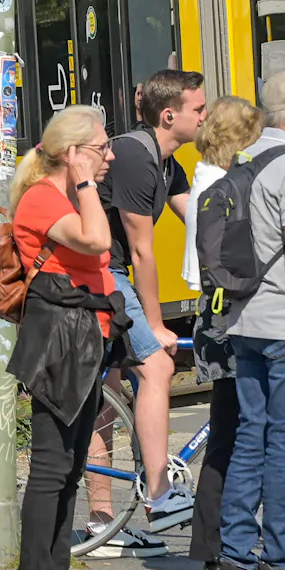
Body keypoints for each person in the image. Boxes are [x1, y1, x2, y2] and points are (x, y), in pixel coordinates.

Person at [8, 107, 118, 570]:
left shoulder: (67, 197)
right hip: (59, 343)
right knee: (52, 463)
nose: (110, 155)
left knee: (72, 464)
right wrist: (86, 184)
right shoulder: (41, 199)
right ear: (73, 154)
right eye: (101, 147)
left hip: (85, 339)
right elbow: (97, 241)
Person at [96, 68, 206, 539]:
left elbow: (203, 223)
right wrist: (157, 325)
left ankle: (101, 525)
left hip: (109, 272)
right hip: (99, 272)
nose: (205, 116)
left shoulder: (167, 163)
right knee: (157, 366)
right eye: (198, 109)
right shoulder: (136, 159)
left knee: (110, 389)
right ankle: (159, 495)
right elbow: (142, 252)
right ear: (169, 114)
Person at [213, 70, 285, 570]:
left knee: (249, 436)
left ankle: (235, 560)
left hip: (244, 321)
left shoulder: (241, 159)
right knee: (284, 443)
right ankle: (282, 560)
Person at [185, 95, 264, 570]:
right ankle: (220, 548)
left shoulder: (205, 180)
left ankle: (213, 546)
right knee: (239, 435)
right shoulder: (228, 185)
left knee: (228, 434)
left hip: (212, 320)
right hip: (231, 320)